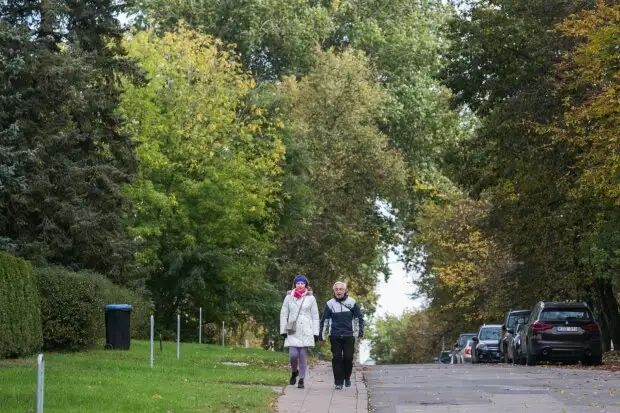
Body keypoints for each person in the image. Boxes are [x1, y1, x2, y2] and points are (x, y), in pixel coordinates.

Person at [319, 281, 364, 390]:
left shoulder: (352, 302)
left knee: (348, 357)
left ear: (345, 291)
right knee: (337, 358)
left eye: (341, 289)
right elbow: (324, 320)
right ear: (334, 291)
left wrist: (359, 332)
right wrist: (321, 335)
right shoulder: (330, 304)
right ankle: (338, 382)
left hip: (349, 335)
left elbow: (359, 318)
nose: (338, 291)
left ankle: (347, 377)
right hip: (335, 335)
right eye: (336, 289)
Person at [280, 275, 320, 389]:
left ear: (306, 285)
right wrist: (283, 330)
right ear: (295, 285)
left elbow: (315, 316)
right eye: (298, 283)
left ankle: (301, 379)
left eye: (302, 283)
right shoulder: (288, 297)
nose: (300, 285)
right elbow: (283, 314)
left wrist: (315, 333)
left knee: (302, 355)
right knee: (293, 355)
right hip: (293, 329)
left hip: (306, 330)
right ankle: (294, 372)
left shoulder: (311, 298)